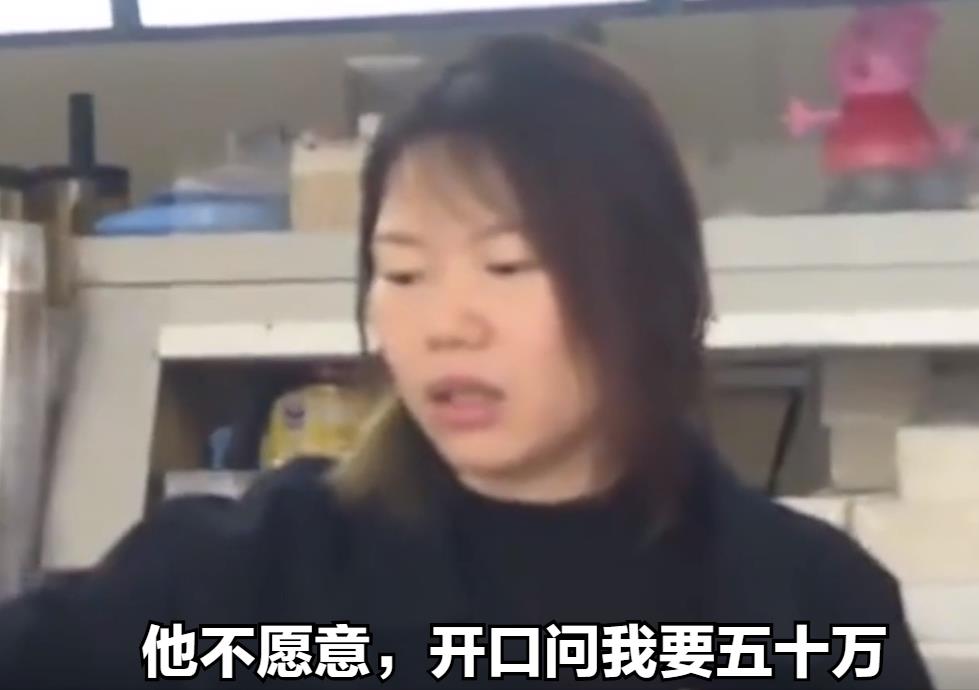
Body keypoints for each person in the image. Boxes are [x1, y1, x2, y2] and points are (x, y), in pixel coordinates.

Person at [0, 36, 932, 690]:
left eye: (507, 266)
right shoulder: (258, 579)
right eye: (403, 271)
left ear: (646, 282)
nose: (445, 324)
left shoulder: (806, 612)